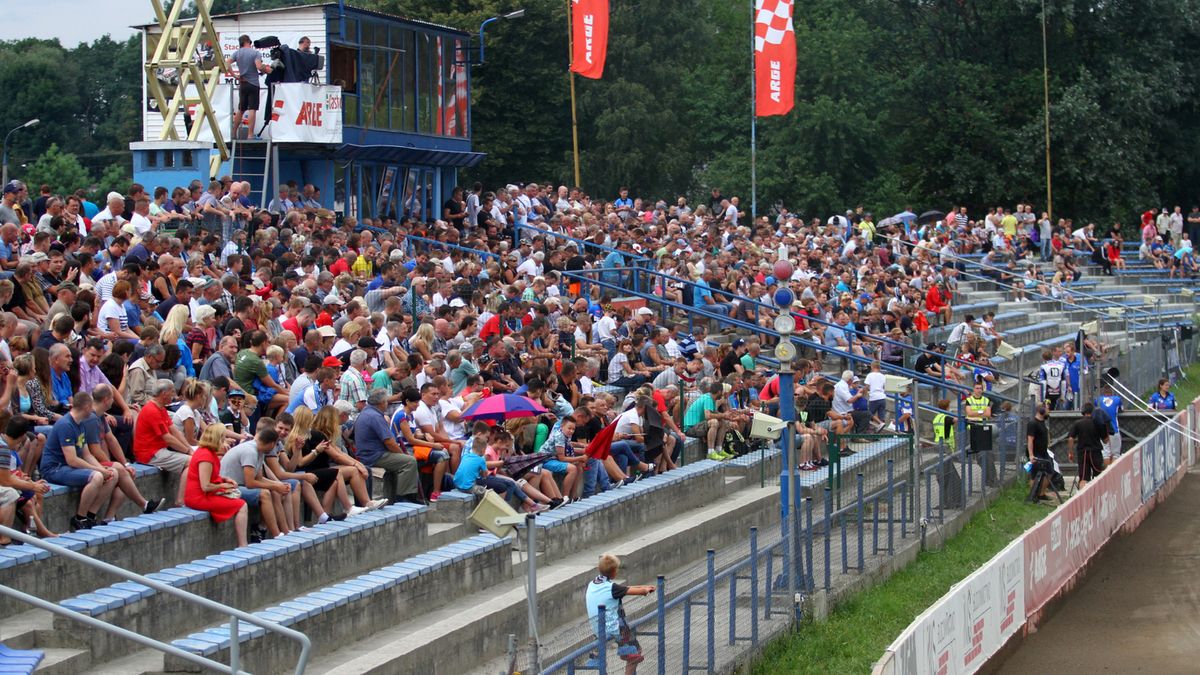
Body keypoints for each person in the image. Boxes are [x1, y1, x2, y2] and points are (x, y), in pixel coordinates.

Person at [38, 392, 116, 531]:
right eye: (91, 406)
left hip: (67, 467)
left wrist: (103, 469)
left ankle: (91, 515)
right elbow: (72, 460)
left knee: (112, 474)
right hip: (54, 468)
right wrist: (98, 470)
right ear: (86, 407)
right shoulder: (66, 425)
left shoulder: (80, 424)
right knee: (96, 477)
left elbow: (86, 454)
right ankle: (80, 518)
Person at [586, 553, 655, 673]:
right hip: (614, 628)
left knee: (601, 661)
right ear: (614, 572)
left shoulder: (593, 584)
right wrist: (646, 589)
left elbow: (622, 588)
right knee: (636, 653)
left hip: (597, 628)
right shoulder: (612, 588)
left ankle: (621, 652)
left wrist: (641, 586)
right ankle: (628, 653)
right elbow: (638, 592)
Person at [184, 423, 249, 547]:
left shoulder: (209, 452)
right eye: (223, 437)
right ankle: (243, 544)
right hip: (198, 498)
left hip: (203, 494)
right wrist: (224, 486)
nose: (225, 441)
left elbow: (212, 477)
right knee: (242, 505)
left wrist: (225, 480)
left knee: (236, 498)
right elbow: (205, 486)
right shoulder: (206, 456)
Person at [353, 389, 422, 504]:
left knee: (407, 458)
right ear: (381, 403)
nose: (387, 404)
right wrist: (401, 453)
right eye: (386, 402)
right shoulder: (375, 416)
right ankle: (403, 497)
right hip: (374, 455)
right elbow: (389, 442)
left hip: (370, 453)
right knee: (409, 461)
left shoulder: (366, 412)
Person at [228, 34, 272, 140]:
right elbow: (258, 66)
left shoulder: (236, 53)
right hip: (253, 83)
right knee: (252, 109)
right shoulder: (255, 53)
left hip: (243, 83)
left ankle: (233, 133)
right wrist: (266, 70)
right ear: (248, 42)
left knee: (241, 109)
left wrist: (234, 75)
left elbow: (227, 63)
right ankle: (250, 135)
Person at [1067, 403, 1105, 488]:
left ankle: (1082, 494)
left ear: (1083, 412)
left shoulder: (1078, 423)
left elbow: (1070, 438)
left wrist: (1070, 452)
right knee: (1098, 475)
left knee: (1083, 477)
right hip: (1095, 451)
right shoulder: (1098, 423)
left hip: (1083, 452)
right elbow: (1105, 440)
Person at [1026, 404, 1053, 501]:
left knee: (1049, 471)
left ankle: (1041, 493)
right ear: (1041, 410)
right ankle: (1032, 496)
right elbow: (1030, 440)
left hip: (1043, 451)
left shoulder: (1042, 423)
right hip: (1036, 452)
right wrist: (1031, 455)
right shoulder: (1033, 423)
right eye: (1047, 410)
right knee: (1034, 474)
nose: (1048, 412)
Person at [1095, 383, 1123, 466]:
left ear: (1103, 392)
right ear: (1112, 392)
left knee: (1105, 453)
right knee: (1116, 454)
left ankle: (1106, 472)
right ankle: (1114, 473)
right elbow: (1121, 409)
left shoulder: (1098, 400)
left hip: (1102, 430)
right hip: (1114, 429)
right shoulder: (1117, 399)